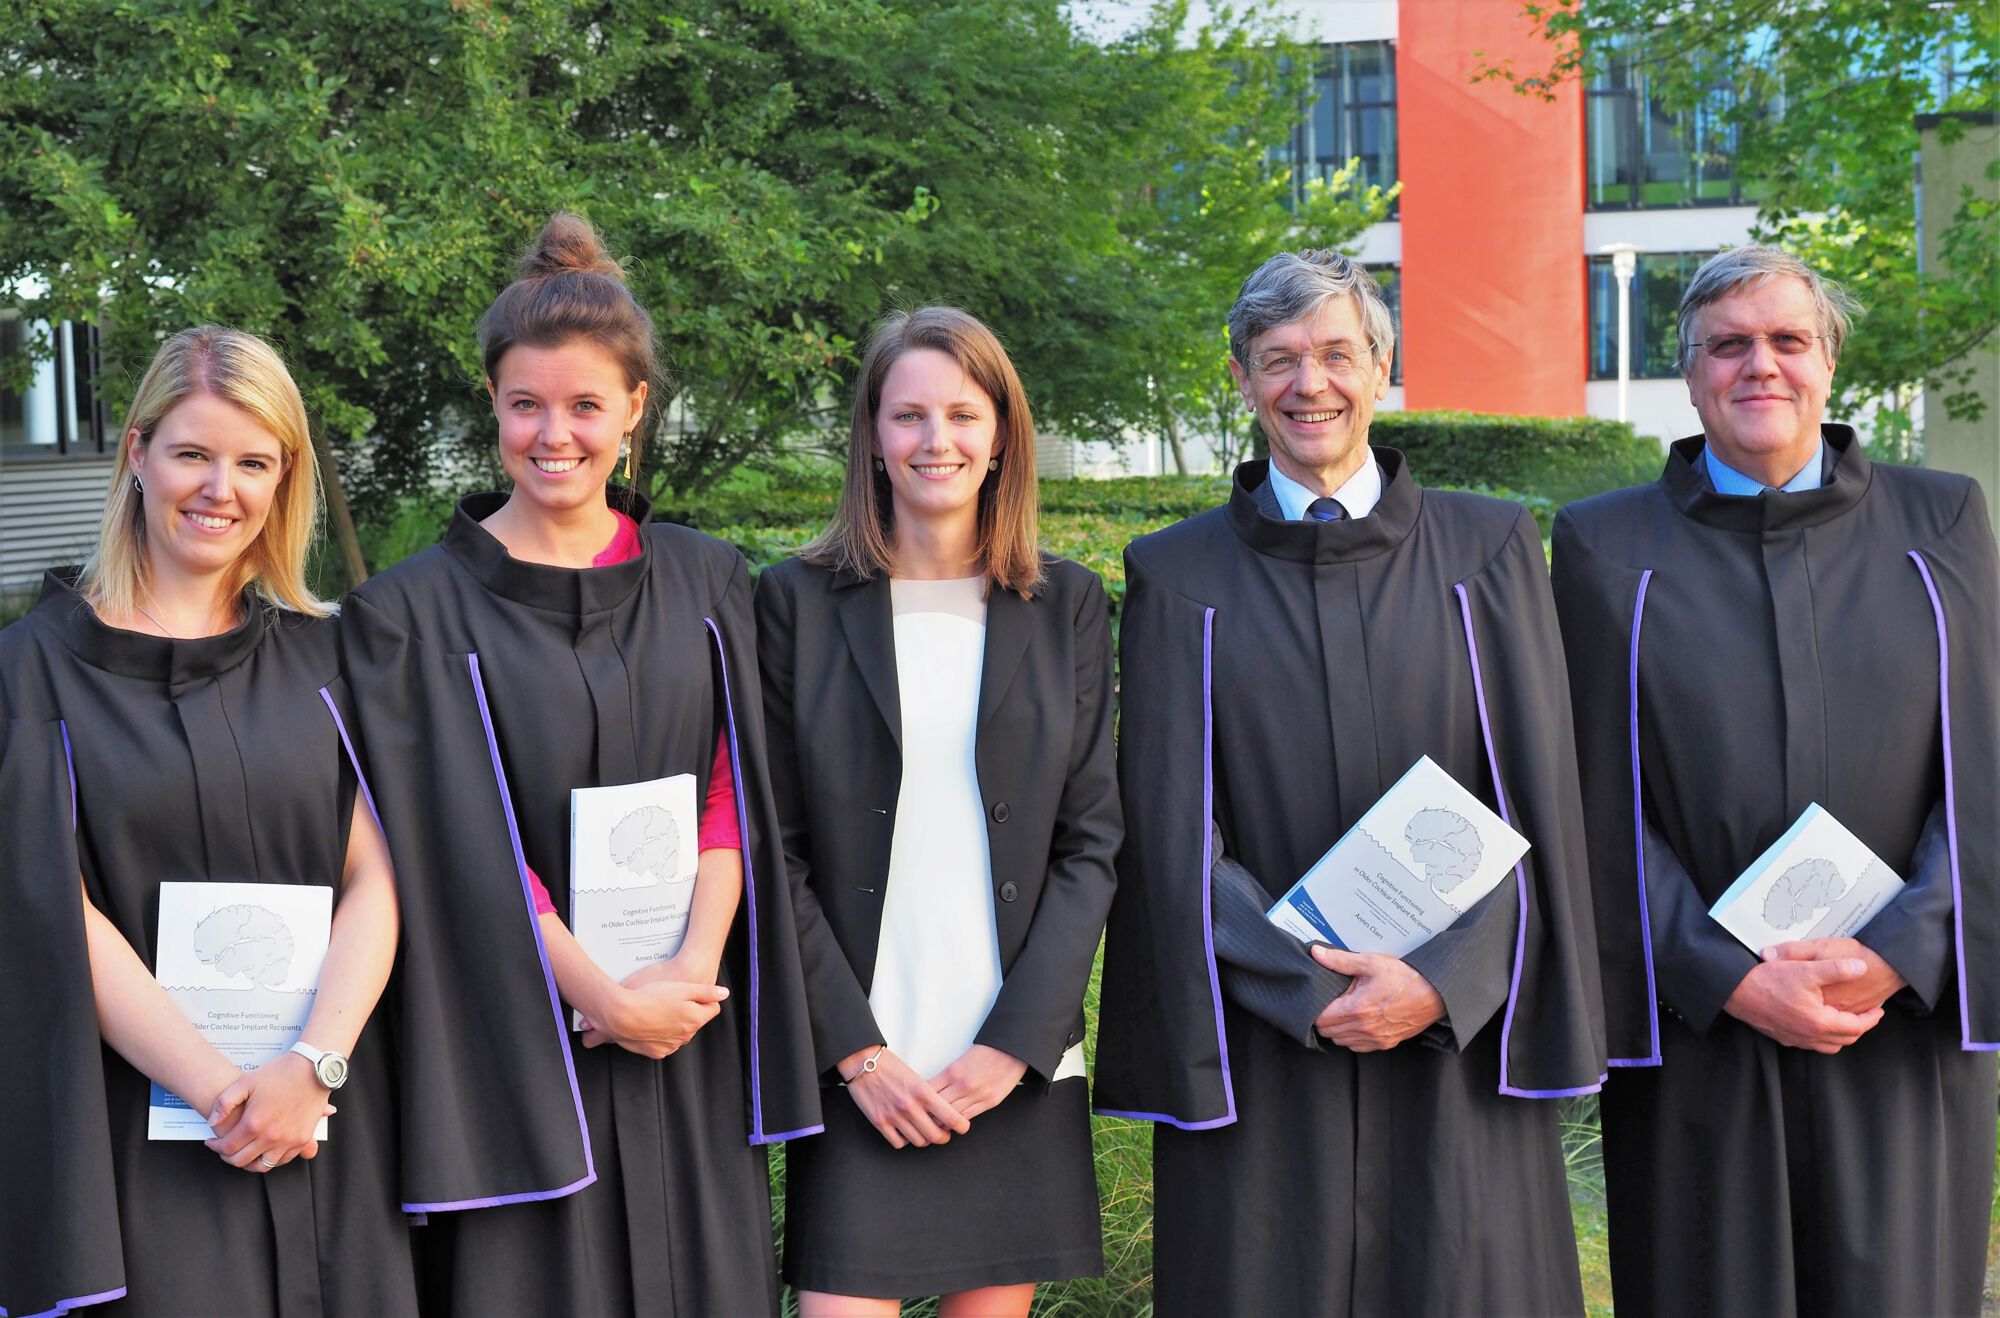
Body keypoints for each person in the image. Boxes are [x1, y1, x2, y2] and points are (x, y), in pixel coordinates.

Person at [1095, 250, 1606, 1316]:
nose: (1307, 383)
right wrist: (1313, 986)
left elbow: (1537, 793)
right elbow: (1171, 821)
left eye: (1335, 353)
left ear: (1381, 368)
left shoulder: (1489, 549)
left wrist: (1438, 981)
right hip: (1263, 1043)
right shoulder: (1176, 573)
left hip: (1452, 1036)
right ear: (1240, 379)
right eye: (1277, 359)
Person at [336, 214, 820, 1315]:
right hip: (515, 1039)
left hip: (685, 1029)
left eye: (585, 405)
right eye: (525, 405)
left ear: (635, 409)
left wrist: (686, 977)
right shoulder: (408, 613)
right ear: (493, 408)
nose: (554, 434)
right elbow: (448, 832)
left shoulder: (704, 579)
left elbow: (731, 785)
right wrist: (596, 991)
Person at [1551, 244, 2000, 1317]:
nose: (1760, 365)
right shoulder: (1606, 546)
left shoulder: (1937, 522)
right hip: (1699, 1024)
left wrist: (1897, 951)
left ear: (1827, 362)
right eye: (1727, 345)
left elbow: (1982, 766)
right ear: (1690, 372)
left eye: (1786, 340)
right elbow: (1590, 799)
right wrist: (1722, 973)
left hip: (1894, 1018)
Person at [0, 327, 416, 1317]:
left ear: (283, 479)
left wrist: (311, 1068)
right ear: (137, 452)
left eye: (252, 461)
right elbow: (51, 903)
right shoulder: (30, 672)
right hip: (138, 1133)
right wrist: (226, 1089)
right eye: (191, 452)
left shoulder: (329, 659)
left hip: (324, 1116)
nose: (217, 487)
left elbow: (376, 879)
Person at [757, 307, 1120, 1316]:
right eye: (908, 415)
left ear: (1001, 432)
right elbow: (772, 846)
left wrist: (1017, 1044)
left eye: (962, 414)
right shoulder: (790, 603)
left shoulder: (1067, 604)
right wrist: (855, 1054)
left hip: (1008, 1066)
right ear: (872, 434)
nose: (936, 441)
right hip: (862, 1064)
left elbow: (1091, 843)